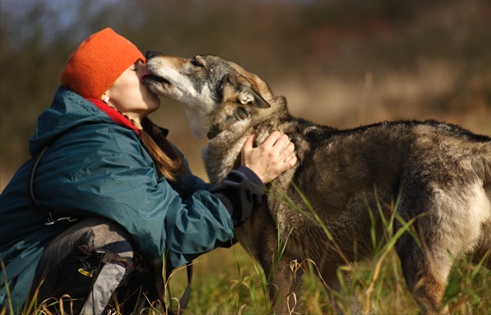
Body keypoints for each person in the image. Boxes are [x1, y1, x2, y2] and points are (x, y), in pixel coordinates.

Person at [0, 28, 297, 314]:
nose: (146, 72)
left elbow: (193, 204)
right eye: (133, 69)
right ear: (103, 90)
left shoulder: (139, 140)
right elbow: (169, 237)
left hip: (43, 279)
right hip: (14, 296)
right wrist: (247, 181)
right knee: (109, 240)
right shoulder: (97, 147)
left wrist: (255, 183)